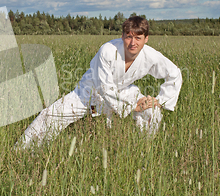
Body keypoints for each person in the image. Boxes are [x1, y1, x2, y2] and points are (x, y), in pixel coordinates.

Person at [15, 16, 182, 150]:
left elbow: (174, 74)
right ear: (122, 36)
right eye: (129, 37)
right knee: (50, 116)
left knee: (151, 112)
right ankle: (22, 151)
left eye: (138, 38)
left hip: (123, 91)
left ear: (146, 39)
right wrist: (132, 106)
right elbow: (104, 87)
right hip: (90, 93)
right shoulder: (108, 50)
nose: (133, 43)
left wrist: (160, 101)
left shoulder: (151, 56)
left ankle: (145, 149)